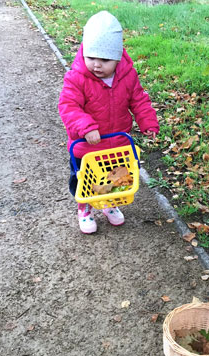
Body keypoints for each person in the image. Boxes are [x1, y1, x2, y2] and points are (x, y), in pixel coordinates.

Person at [58, 11, 159, 234]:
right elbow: (68, 106)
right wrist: (86, 127)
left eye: (104, 60)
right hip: (87, 145)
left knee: (115, 175)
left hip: (116, 142)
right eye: (91, 57)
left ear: (118, 57)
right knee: (84, 179)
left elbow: (139, 99)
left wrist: (148, 121)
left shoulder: (127, 76)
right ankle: (84, 209)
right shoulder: (77, 78)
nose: (96, 65)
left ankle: (109, 204)